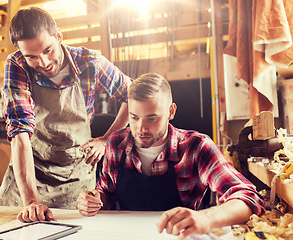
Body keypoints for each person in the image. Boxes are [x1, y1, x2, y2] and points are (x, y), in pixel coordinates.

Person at [77, 73, 265, 239]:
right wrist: (94, 200)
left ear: (171, 112)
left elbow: (248, 197)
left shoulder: (197, 147)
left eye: (152, 118)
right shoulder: (116, 144)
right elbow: (106, 193)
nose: (141, 129)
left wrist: (206, 217)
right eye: (134, 118)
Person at [0, 6, 131, 223]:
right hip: (32, 170)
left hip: (75, 175)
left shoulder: (90, 62)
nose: (44, 63)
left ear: (58, 36)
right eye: (32, 57)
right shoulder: (17, 64)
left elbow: (132, 96)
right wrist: (31, 202)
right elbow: (19, 133)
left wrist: (107, 139)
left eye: (48, 50)